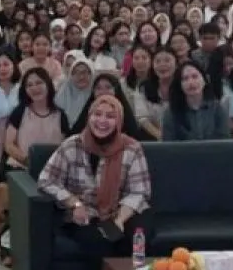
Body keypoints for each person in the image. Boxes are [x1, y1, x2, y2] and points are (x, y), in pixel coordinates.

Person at [38, 95, 152, 258]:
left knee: (136, 238)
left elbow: (139, 192)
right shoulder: (72, 145)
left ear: (119, 121)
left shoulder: (132, 148)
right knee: (99, 244)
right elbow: (46, 180)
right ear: (89, 117)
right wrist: (75, 203)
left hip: (121, 211)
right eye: (97, 114)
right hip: (86, 214)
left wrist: (119, 220)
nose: (102, 121)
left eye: (110, 116)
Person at [0, 67, 69, 258]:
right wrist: (27, 159)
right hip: (20, 168)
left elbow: (66, 148)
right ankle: (0, 242)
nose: (35, 88)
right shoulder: (20, 112)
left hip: (51, 173)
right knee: (2, 193)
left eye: (39, 82)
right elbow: (8, 144)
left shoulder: (60, 115)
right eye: (29, 85)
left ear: (48, 84)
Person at [161, 62, 231, 141]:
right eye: (185, 79)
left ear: (204, 80)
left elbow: (224, 140)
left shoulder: (217, 108)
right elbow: (168, 143)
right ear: (180, 85)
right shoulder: (171, 112)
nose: (191, 82)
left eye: (195, 77)